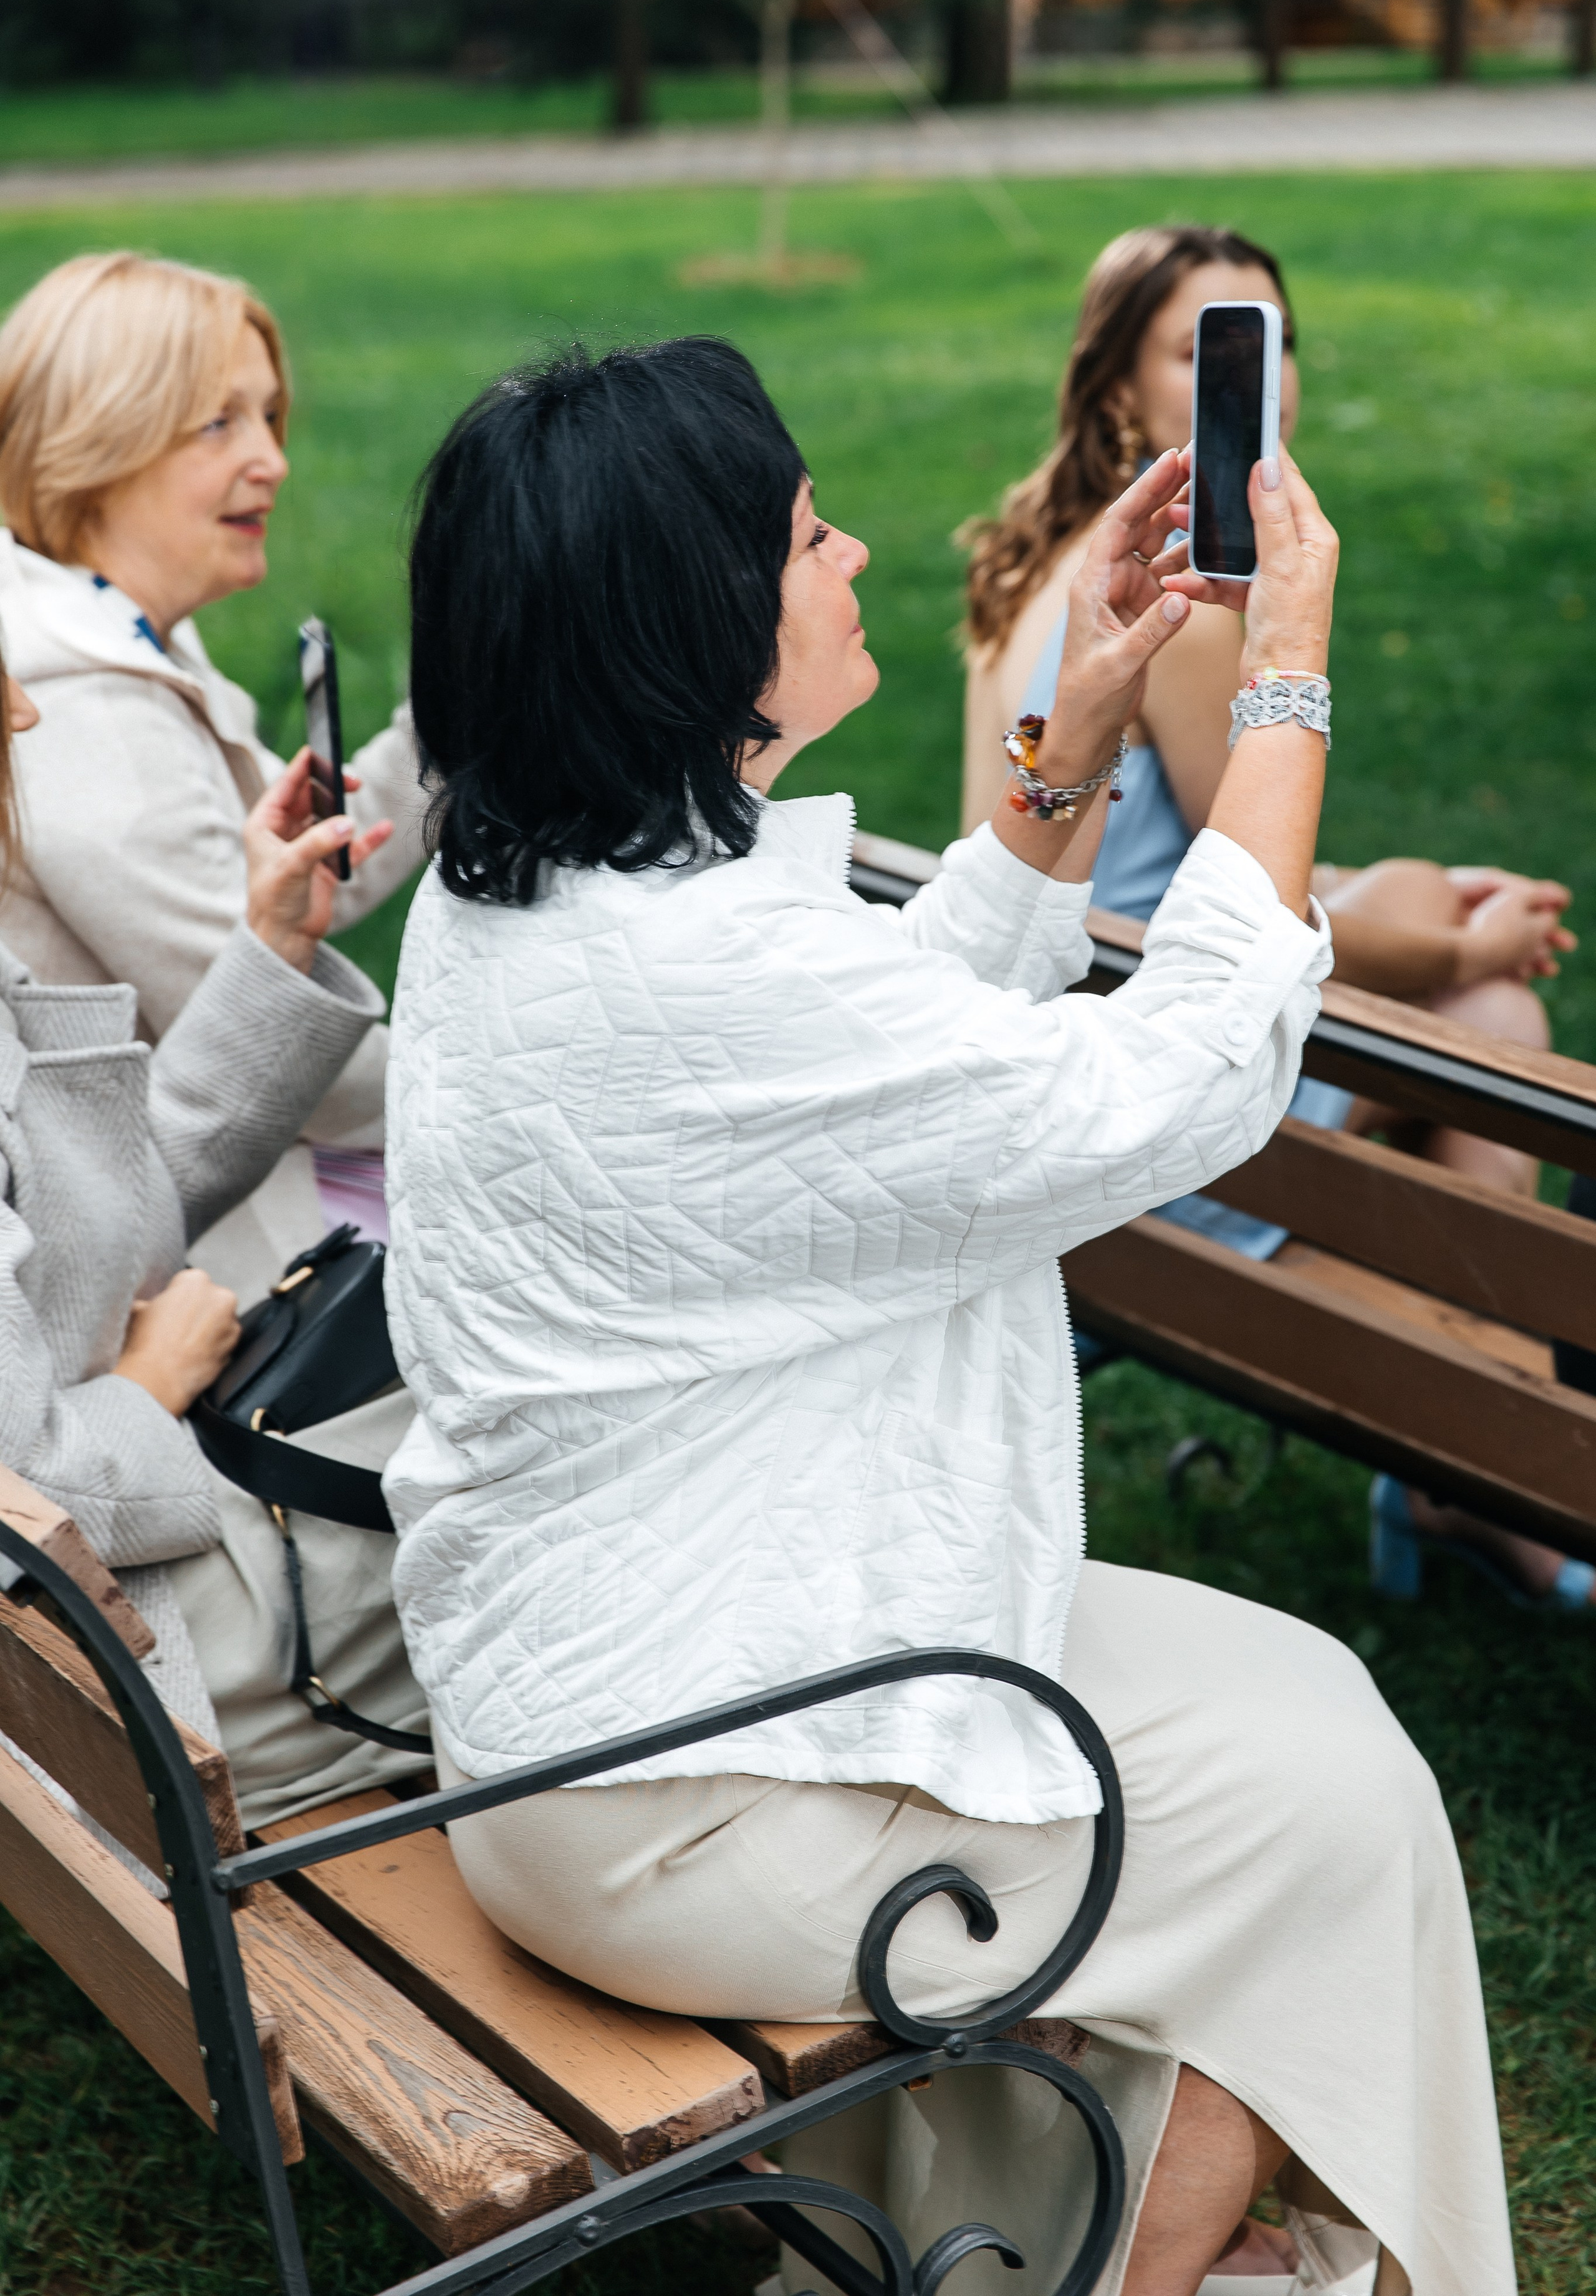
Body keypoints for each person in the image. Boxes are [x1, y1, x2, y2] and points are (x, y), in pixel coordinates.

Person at [379, 337, 1512, 2296]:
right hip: (685, 1794)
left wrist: (1077, 716)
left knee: (1308, 1710)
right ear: (694, 627)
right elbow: (1173, 1081)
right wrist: (1285, 682)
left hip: (599, 1707)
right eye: (811, 535)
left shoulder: (542, 896)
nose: (858, 554)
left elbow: (893, 1060)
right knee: (1318, 1814)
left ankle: (1030, 2237)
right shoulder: (696, 963)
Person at [963, 222, 1589, 1612]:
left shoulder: (1056, 562)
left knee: (1473, 988)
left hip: (1075, 1020)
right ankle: (1468, 1463)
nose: (1269, 381)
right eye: (1211, 352)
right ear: (1119, 393)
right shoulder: (1174, 608)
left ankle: (1449, 1474)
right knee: (1480, 995)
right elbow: (1259, 902)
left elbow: (1211, 856)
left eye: (1274, 340)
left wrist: (1437, 928)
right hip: (1150, 1104)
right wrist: (1458, 939)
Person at [0, 656, 428, 1828]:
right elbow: (13, 1494)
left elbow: (101, 1219)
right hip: (138, 1662)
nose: (27, 709)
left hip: (86, 1645)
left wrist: (269, 954)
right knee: (581, 1472)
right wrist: (148, 1381)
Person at [0, 251, 430, 1308]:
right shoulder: (85, 710)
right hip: (186, 1279)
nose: (273, 459)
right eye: (219, 425)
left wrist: (456, 740)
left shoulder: (114, 630)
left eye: (270, 416)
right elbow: (283, 1051)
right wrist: (522, 1093)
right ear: (91, 446)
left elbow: (277, 887)